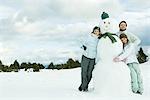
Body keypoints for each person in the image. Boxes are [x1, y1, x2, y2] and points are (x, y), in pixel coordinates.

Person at [93, 12, 131, 96]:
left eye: (109, 23)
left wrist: (118, 56)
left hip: (115, 60)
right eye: (105, 23)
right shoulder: (102, 38)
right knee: (102, 74)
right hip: (104, 61)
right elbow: (99, 50)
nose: (106, 25)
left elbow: (119, 48)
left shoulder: (116, 37)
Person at [78, 26, 101, 92]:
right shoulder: (89, 36)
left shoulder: (99, 40)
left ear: (99, 32)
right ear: (93, 31)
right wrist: (83, 47)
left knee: (90, 73)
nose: (96, 32)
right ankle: (85, 87)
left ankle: (83, 85)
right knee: (84, 72)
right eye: (95, 30)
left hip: (93, 58)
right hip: (85, 56)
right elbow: (81, 42)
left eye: (97, 31)